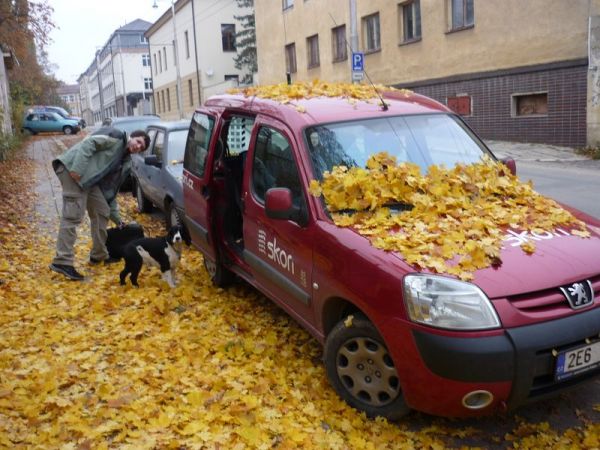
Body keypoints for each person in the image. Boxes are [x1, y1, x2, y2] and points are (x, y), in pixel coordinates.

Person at [49, 128, 150, 281]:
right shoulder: (116, 138)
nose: (138, 147)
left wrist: (117, 219)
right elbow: (89, 143)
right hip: (72, 171)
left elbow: (111, 191)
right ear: (132, 136)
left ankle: (99, 255)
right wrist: (78, 169)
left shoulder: (124, 161)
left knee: (102, 211)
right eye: (138, 142)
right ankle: (62, 261)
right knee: (72, 217)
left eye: (141, 148)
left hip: (88, 181)